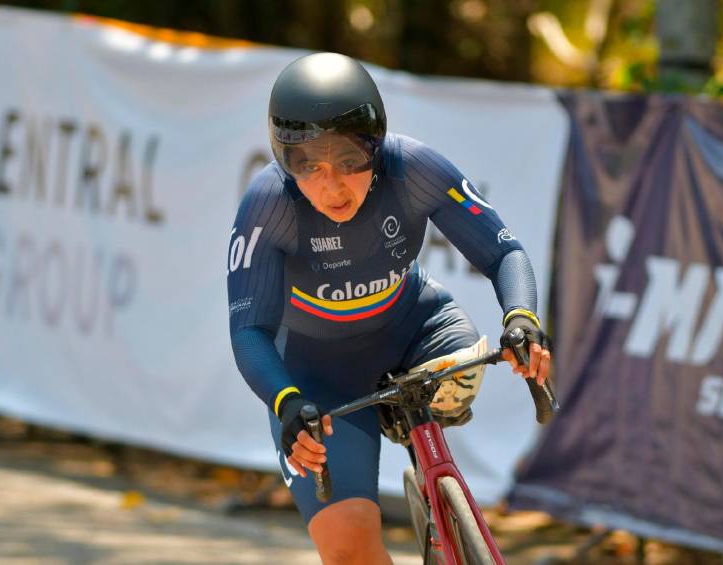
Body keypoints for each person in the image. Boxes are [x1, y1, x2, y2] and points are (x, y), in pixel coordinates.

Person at [227, 52, 552, 565]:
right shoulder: (270, 205)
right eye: (307, 165)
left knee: (461, 373)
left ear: (375, 148)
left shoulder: (414, 169)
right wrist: (287, 402)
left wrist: (522, 320)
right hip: (317, 375)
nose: (331, 186)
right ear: (283, 160)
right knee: (348, 550)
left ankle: (437, 490)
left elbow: (503, 252)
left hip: (420, 332)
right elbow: (249, 331)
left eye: (350, 162)